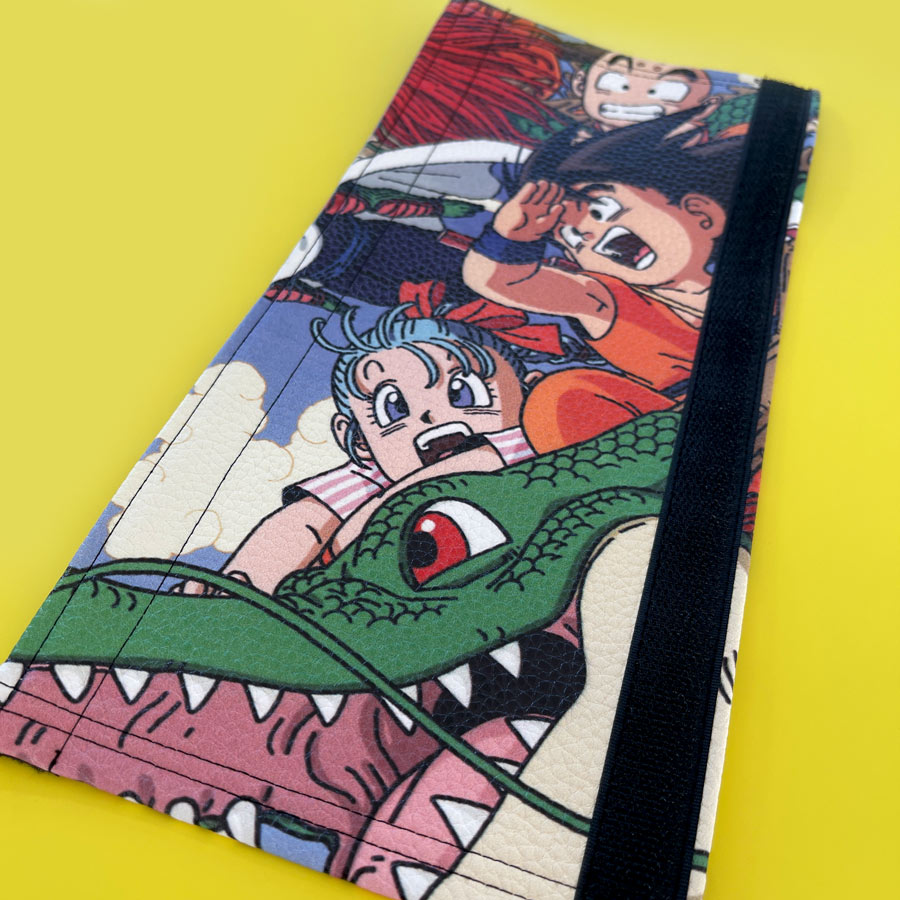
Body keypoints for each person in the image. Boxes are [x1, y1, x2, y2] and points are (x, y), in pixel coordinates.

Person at [209, 297, 541, 592]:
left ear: (532, 397)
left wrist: (363, 523)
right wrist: (242, 583)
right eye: (394, 407)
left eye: (461, 392)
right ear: (359, 441)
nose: (428, 415)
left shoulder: (534, 441)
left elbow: (483, 462)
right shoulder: (370, 477)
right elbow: (305, 523)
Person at [462, 108, 744, 452]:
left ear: (702, 215)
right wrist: (512, 237)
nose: (587, 235)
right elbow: (501, 281)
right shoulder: (610, 301)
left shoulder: (761, 275)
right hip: (685, 430)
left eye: (602, 211)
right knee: (563, 395)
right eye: (570, 239)